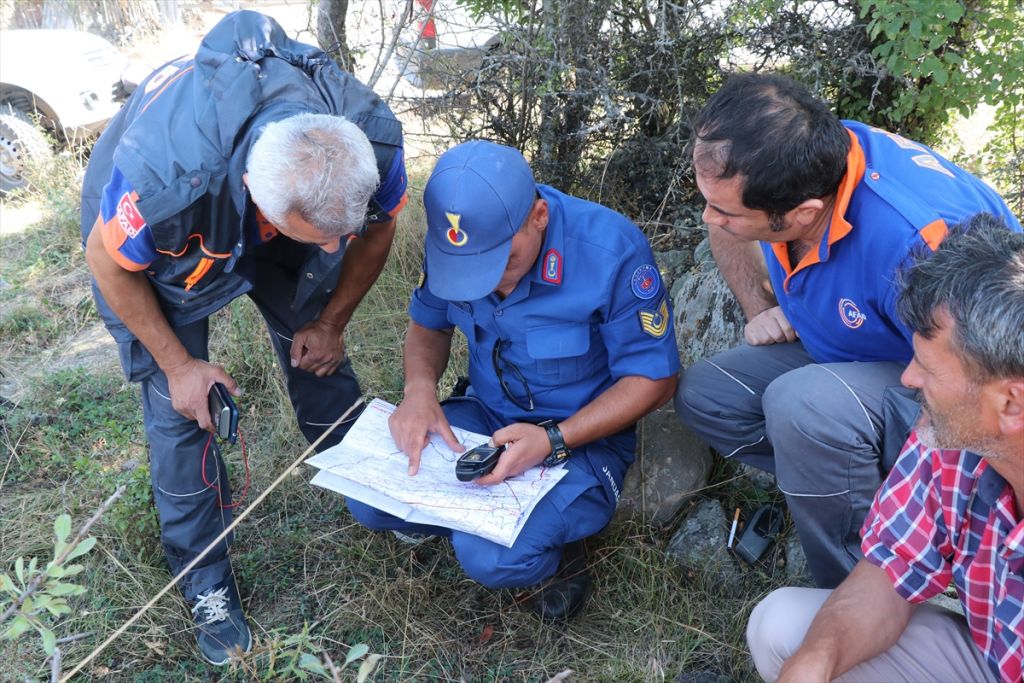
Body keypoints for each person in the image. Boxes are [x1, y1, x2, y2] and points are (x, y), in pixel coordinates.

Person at [79, 11, 407, 664]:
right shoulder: (164, 181)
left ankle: (370, 485)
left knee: (319, 347)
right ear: (261, 198)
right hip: (171, 238)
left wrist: (332, 319)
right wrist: (177, 366)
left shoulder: (373, 142)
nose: (340, 248)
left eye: (343, 232)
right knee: (184, 412)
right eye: (326, 236)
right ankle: (206, 582)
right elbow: (109, 263)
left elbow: (375, 230)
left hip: (277, 207)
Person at [674, 72, 1022, 588]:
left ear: (802, 215)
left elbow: (981, 397)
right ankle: (847, 483)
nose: (709, 216)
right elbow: (719, 218)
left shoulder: (922, 245)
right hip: (852, 352)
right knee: (708, 396)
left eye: (725, 210)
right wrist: (757, 306)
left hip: (942, 384)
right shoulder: (794, 156)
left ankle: (867, 577)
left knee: (803, 407)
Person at [346, 140, 680, 620]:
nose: (486, 282)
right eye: (469, 269)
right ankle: (483, 516)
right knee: (368, 499)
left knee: (491, 558)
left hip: (580, 438)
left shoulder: (610, 251)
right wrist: (419, 393)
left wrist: (551, 439)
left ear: (539, 215)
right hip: (486, 415)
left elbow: (654, 378)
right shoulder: (454, 242)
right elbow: (429, 325)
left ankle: (563, 545)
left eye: (502, 261)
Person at [746, 215, 1024, 683]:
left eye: (928, 369)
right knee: (784, 628)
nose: (907, 379)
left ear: (1011, 401)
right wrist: (815, 663)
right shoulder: (953, 439)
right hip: (997, 660)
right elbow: (889, 573)